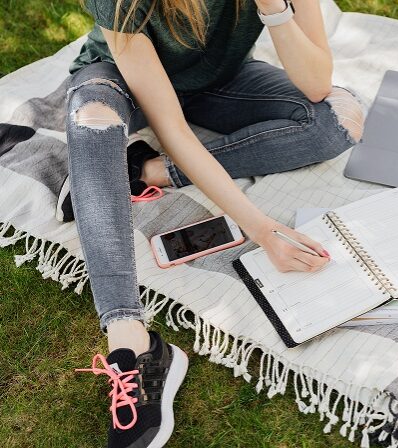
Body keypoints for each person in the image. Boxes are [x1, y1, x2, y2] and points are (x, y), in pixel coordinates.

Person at [61, 0, 365, 446]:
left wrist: (274, 7)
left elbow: (317, 83)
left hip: (218, 83)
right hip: (121, 80)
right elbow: (172, 127)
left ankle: (134, 171)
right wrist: (260, 227)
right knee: (92, 120)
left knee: (337, 120)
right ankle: (133, 345)